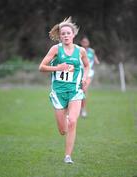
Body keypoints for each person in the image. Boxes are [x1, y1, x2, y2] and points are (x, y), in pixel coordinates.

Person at [39, 17, 89, 164]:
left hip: (75, 91)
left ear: (73, 35)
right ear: (60, 36)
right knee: (63, 131)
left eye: (68, 33)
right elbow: (41, 67)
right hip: (58, 93)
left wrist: (84, 78)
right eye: (63, 33)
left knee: (73, 121)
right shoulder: (55, 49)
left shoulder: (81, 51)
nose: (66, 35)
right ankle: (65, 122)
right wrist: (57, 68)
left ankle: (68, 157)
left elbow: (86, 66)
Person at [80, 36, 100, 118]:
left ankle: (83, 109)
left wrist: (96, 61)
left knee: (84, 90)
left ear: (88, 43)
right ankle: (78, 108)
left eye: (86, 42)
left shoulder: (92, 51)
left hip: (89, 74)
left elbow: (95, 59)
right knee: (78, 91)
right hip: (79, 74)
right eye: (83, 42)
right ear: (81, 43)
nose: (85, 43)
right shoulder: (78, 50)